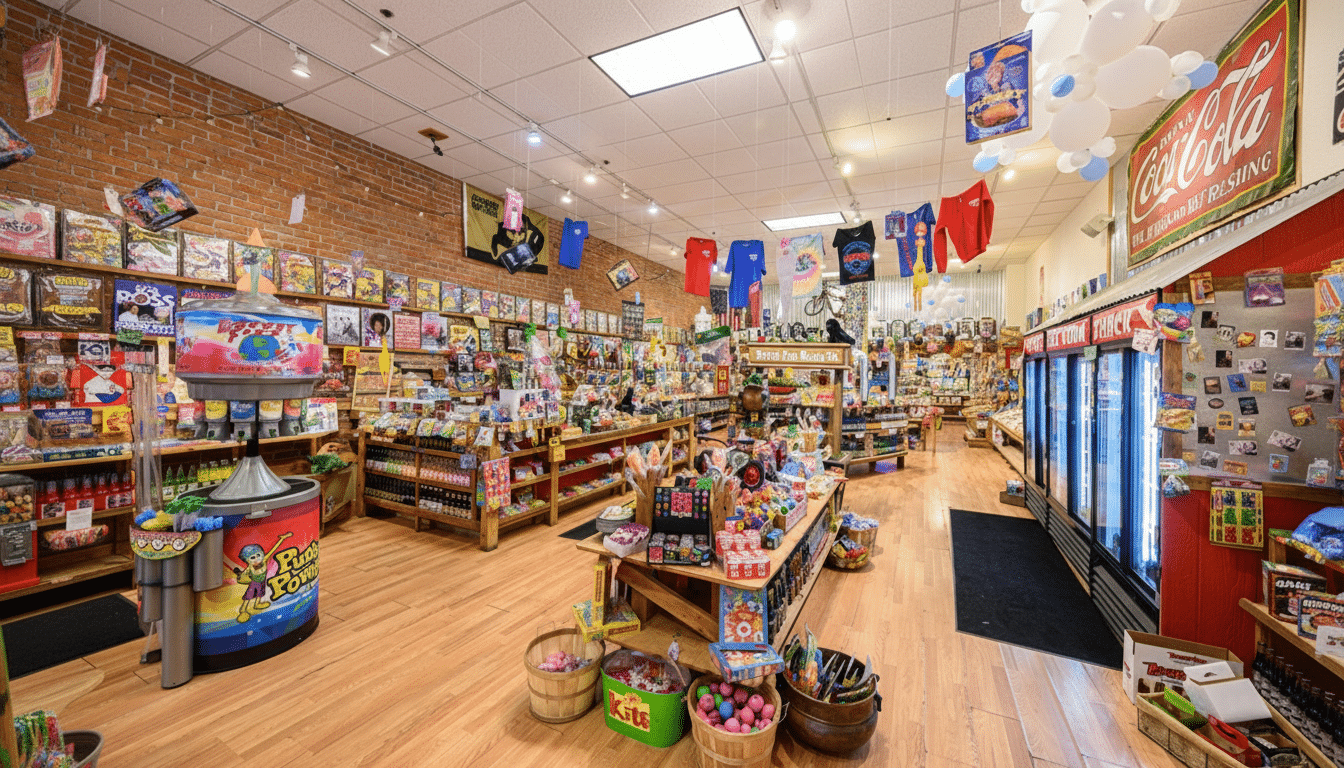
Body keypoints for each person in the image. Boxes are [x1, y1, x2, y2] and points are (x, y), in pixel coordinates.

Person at [233, 532, 293, 622]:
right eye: (252, 558)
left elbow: (274, 549)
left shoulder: (264, 559)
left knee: (260, 594)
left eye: (258, 555)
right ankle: (243, 610)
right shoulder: (249, 568)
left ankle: (257, 604)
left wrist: (282, 539)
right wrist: (240, 576)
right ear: (247, 561)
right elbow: (243, 576)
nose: (257, 559)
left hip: (262, 581)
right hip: (254, 583)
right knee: (248, 597)